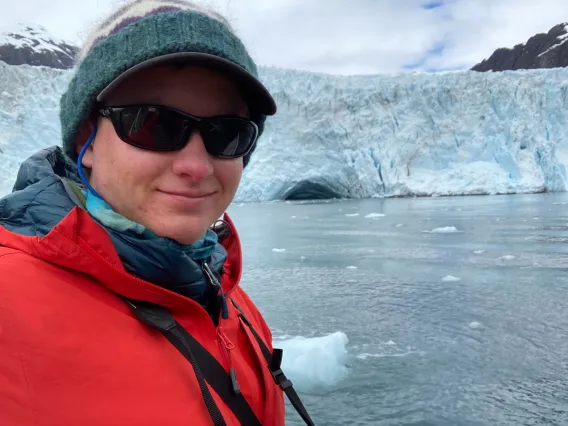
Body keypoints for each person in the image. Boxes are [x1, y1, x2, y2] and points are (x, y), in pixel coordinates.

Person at [0, 1, 314, 425]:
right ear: (85, 141)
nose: (197, 166)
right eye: (154, 124)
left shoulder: (225, 298)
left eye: (228, 133)